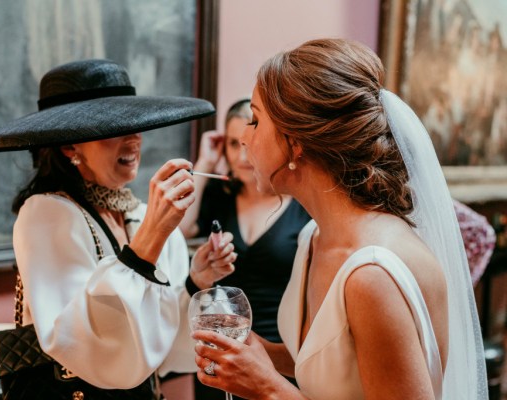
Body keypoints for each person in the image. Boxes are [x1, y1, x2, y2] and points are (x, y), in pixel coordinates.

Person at [192, 39, 487, 399]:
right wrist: (258, 351)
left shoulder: (372, 277)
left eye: (255, 120)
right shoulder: (315, 237)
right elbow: (337, 362)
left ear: (296, 142)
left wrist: (268, 388)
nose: (243, 139)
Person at [0, 59, 237, 399]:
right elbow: (80, 342)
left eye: (135, 127)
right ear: (71, 146)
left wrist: (195, 281)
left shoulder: (140, 215)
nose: (133, 140)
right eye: (113, 129)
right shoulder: (47, 214)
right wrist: (153, 234)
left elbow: (154, 345)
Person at [179, 99, 311, 399]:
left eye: (247, 143)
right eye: (231, 144)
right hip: (220, 350)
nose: (241, 156)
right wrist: (204, 163)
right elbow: (181, 231)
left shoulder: (302, 204)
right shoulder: (219, 195)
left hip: (282, 356)